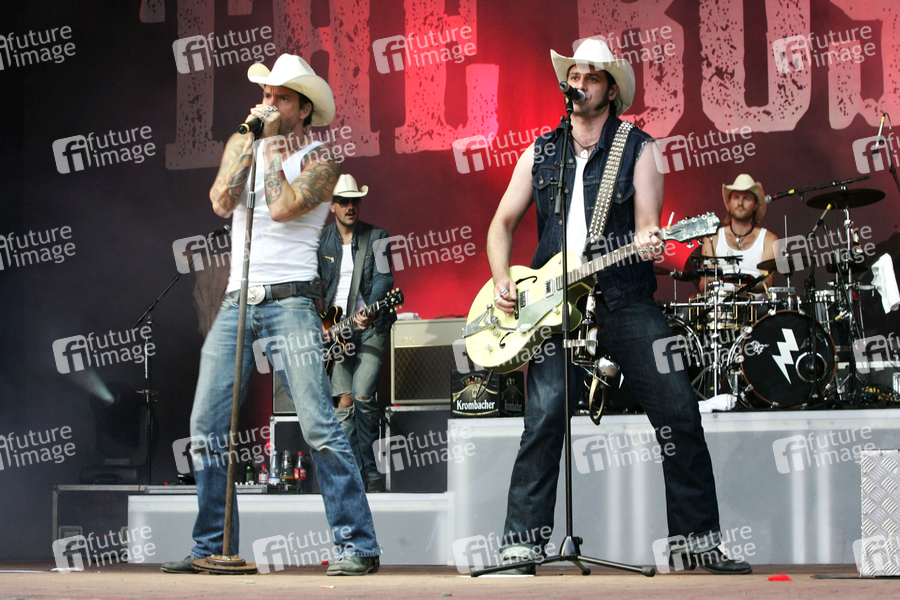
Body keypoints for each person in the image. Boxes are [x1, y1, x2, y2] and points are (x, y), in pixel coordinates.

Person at [484, 38, 751, 574]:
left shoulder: (639, 149)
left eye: (591, 76)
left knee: (678, 411)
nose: (579, 83)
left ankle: (697, 541)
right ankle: (522, 543)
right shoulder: (542, 151)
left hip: (625, 296)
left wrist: (652, 239)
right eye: (574, 75)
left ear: (610, 91)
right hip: (552, 302)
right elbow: (501, 224)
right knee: (543, 417)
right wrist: (500, 278)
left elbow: (649, 225)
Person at [161, 54, 381, 576]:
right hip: (238, 300)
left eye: (282, 97)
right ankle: (210, 544)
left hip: (292, 301)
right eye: (266, 95)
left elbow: (282, 208)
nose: (269, 104)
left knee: (318, 424)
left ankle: (358, 544)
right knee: (206, 425)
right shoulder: (245, 142)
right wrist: (248, 143)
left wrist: (274, 149)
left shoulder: (323, 160)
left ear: (303, 109)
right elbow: (220, 201)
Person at [318, 174, 396, 493]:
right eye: (344, 201)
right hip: (335, 331)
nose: (350, 206)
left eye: (355, 201)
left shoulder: (378, 237)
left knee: (363, 396)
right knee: (344, 404)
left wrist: (372, 310)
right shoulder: (320, 242)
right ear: (333, 206)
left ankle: (371, 470)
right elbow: (311, 286)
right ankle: (353, 476)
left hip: (370, 327)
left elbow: (384, 280)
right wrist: (318, 323)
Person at [699, 174, 779, 295]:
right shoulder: (712, 239)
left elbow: (767, 282)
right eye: (736, 197)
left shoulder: (769, 240)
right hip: (721, 305)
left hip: (756, 305)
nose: (740, 203)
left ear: (756, 205)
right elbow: (703, 286)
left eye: (746, 198)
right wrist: (710, 279)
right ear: (729, 203)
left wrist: (734, 285)